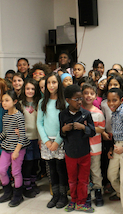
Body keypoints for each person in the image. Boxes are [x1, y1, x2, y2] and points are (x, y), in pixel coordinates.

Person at [0, 90, 30, 207]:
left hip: (18, 148)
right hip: (6, 147)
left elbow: (22, 135)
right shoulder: (5, 116)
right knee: (0, 170)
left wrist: (16, 151)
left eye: (7, 101)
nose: (4, 103)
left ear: (15, 101)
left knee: (16, 172)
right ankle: (7, 191)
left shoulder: (19, 116)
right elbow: (4, 133)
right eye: (2, 101)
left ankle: (18, 195)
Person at [60, 84, 96, 212]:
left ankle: (81, 201)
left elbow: (93, 132)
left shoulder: (86, 114)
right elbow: (61, 134)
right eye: (76, 99)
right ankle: (73, 200)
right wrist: (63, 130)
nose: (80, 101)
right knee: (72, 179)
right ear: (68, 100)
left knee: (83, 179)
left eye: (80, 98)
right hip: (70, 153)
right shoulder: (63, 114)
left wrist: (83, 128)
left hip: (84, 152)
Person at [37, 72, 69, 209]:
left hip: (60, 140)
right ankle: (55, 195)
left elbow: (65, 123)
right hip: (47, 142)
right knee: (51, 169)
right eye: (48, 83)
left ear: (59, 84)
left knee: (61, 169)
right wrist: (46, 141)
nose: (51, 85)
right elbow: (40, 123)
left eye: (54, 82)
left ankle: (63, 195)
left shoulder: (64, 102)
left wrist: (57, 140)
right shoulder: (42, 102)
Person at [81, 83, 106, 207]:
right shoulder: (77, 111)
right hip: (81, 148)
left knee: (96, 170)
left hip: (95, 147)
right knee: (84, 172)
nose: (88, 96)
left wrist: (87, 129)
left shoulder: (98, 113)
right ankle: (86, 193)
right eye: (85, 93)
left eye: (91, 93)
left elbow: (101, 129)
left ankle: (98, 191)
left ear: (96, 96)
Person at [19, 79, 41, 198]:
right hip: (25, 138)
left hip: (37, 138)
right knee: (27, 162)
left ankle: (32, 183)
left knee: (34, 162)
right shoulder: (20, 104)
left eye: (32, 89)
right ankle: (26, 187)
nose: (30, 91)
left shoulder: (39, 103)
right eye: (28, 88)